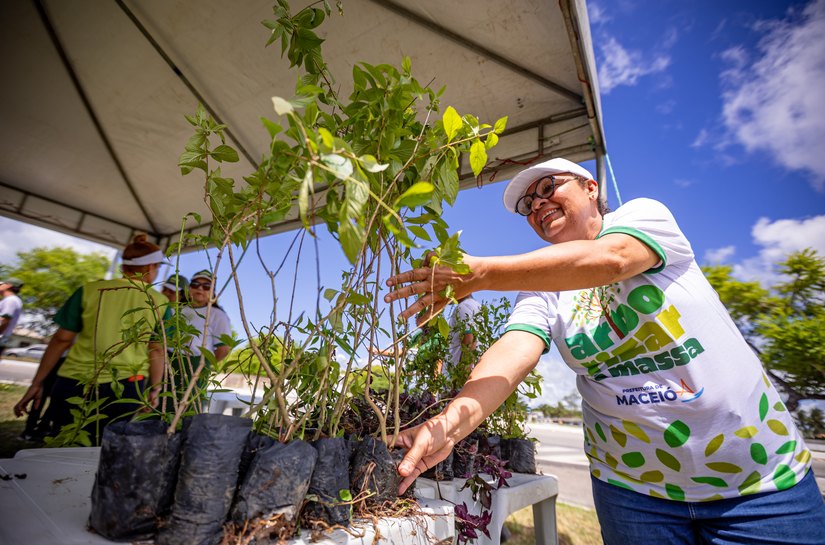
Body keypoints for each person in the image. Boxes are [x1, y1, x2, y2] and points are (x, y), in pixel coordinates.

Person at [385, 157, 825, 544]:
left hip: (759, 484)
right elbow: (514, 350)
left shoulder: (643, 218)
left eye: (547, 187)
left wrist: (479, 273)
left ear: (591, 189)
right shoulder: (539, 291)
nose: (537, 204)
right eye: (527, 205)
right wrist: (448, 425)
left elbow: (612, 259)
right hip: (633, 495)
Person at [13, 234, 169, 444]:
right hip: (127, 387)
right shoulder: (160, 302)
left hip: (74, 382)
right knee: (104, 449)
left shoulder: (90, 290)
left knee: (64, 441)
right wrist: (155, 388)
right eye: (157, 267)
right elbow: (156, 350)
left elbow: (61, 340)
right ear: (150, 266)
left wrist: (37, 382)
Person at [168, 269, 231, 405]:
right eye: (195, 284)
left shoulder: (217, 315)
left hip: (196, 367)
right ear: (189, 288)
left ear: (213, 292)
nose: (200, 289)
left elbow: (224, 349)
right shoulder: (175, 309)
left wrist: (204, 366)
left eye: (207, 286)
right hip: (167, 361)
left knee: (189, 408)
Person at [445, 295, 481, 381]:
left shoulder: (463, 307)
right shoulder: (476, 305)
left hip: (458, 380)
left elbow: (470, 339)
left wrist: (461, 381)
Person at [0, 278, 24, 358]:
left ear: (8, 285)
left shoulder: (11, 300)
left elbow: (5, 320)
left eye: (1, 284)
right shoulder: (13, 300)